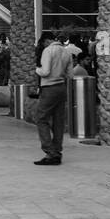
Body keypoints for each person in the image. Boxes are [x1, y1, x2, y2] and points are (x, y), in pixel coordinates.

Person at [34, 31, 73, 166]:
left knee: (41, 118)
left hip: (49, 88)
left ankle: (50, 152)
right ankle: (57, 151)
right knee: (58, 121)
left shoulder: (48, 51)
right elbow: (70, 74)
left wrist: (36, 69)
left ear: (46, 41)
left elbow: (45, 72)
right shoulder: (66, 52)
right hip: (61, 88)